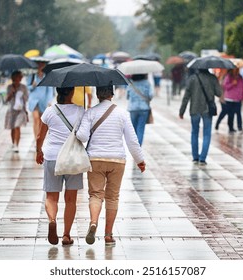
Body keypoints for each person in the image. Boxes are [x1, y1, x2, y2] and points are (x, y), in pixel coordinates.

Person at [76, 85, 146, 246]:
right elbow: (132, 140)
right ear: (112, 95)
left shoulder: (91, 112)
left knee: (95, 195)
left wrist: (79, 128)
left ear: (97, 94)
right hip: (117, 160)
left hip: (95, 159)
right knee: (112, 197)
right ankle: (108, 234)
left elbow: (82, 136)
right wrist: (140, 160)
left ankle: (93, 222)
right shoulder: (122, 114)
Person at [35, 87, 85, 246]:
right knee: (71, 199)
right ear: (71, 93)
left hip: (52, 157)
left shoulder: (49, 112)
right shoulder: (80, 110)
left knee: (51, 197)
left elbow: (39, 136)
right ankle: (66, 235)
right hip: (73, 158)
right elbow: (84, 135)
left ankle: (52, 220)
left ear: (57, 92)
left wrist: (38, 151)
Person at [179, 69, 222, 165]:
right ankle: (202, 158)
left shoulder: (192, 79)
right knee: (207, 133)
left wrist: (182, 111)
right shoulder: (212, 78)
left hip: (194, 109)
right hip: (207, 110)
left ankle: (195, 157)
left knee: (194, 132)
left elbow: (186, 96)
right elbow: (219, 93)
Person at [27, 60, 54, 141]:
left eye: (42, 64)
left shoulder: (47, 76)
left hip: (43, 101)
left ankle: (40, 137)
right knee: (35, 119)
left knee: (41, 121)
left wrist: (49, 101)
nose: (40, 66)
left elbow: (50, 90)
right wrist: (32, 86)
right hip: (34, 101)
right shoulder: (32, 76)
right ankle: (36, 139)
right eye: (39, 64)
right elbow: (27, 88)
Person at [4, 70, 29, 152]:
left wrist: (26, 111)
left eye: (20, 77)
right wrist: (11, 93)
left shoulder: (23, 87)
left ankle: (16, 145)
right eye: (18, 77)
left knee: (17, 127)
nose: (19, 79)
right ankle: (13, 143)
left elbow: (26, 99)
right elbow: (6, 100)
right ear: (14, 78)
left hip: (21, 110)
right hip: (11, 110)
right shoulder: (9, 87)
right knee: (12, 128)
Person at [126, 74, 154, 146]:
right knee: (140, 128)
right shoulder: (147, 83)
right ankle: (138, 147)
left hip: (133, 108)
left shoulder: (131, 83)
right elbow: (151, 95)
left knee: (134, 129)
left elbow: (127, 96)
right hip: (144, 108)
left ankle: (134, 146)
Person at [217, 68, 243, 133]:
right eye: (235, 69)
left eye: (237, 69)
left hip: (238, 99)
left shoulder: (240, 78)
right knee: (231, 114)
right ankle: (231, 127)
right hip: (229, 98)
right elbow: (225, 86)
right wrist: (232, 83)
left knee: (238, 113)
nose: (236, 71)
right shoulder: (228, 77)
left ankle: (240, 127)